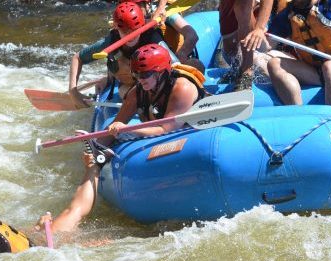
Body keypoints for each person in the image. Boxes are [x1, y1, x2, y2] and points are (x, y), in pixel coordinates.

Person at [37, 44, 206, 233]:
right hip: (154, 134)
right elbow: (116, 126)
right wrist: (95, 147)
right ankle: (63, 225)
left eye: (145, 75)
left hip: (186, 133)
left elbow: (165, 128)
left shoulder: (182, 88)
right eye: (137, 75)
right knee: (95, 161)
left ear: (161, 73)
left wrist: (129, 129)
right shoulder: (137, 92)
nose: (140, 79)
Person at [69, 2, 178, 108]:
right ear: (117, 28)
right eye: (125, 31)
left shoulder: (152, 37)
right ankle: (109, 80)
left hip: (152, 80)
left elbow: (176, 65)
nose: (130, 36)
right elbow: (78, 58)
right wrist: (73, 92)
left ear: (142, 25)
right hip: (129, 83)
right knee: (122, 89)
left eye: (134, 31)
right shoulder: (111, 40)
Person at [121, 0, 200, 64]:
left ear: (147, 5)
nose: (133, 12)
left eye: (137, 6)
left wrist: (180, 56)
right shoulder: (124, 23)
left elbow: (192, 36)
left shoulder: (165, 13)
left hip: (177, 59)